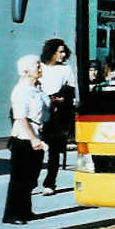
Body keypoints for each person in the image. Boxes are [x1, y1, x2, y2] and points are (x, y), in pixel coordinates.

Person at [3, 54, 50, 225]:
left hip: (38, 134)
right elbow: (21, 118)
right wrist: (33, 139)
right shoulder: (20, 91)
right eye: (36, 65)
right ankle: (12, 214)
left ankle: (25, 210)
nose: (40, 68)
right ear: (25, 71)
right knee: (19, 177)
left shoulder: (38, 88)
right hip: (24, 139)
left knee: (31, 177)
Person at [39, 38, 77, 195]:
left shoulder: (66, 69)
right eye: (59, 52)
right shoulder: (40, 67)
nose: (63, 55)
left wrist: (62, 98)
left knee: (54, 151)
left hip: (57, 112)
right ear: (51, 52)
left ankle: (50, 183)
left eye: (63, 51)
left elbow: (71, 88)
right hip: (40, 110)